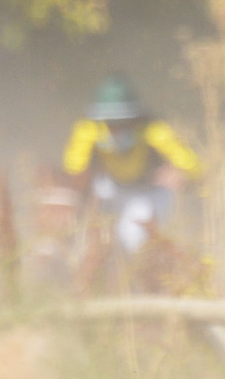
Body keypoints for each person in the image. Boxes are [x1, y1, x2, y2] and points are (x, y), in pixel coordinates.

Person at [59, 77, 203, 256]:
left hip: (146, 192)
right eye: (111, 123)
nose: (117, 129)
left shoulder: (152, 128)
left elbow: (192, 164)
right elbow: (73, 169)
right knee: (87, 232)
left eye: (123, 122)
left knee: (133, 237)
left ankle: (134, 275)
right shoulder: (89, 129)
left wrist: (183, 175)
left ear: (135, 118)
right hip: (111, 189)